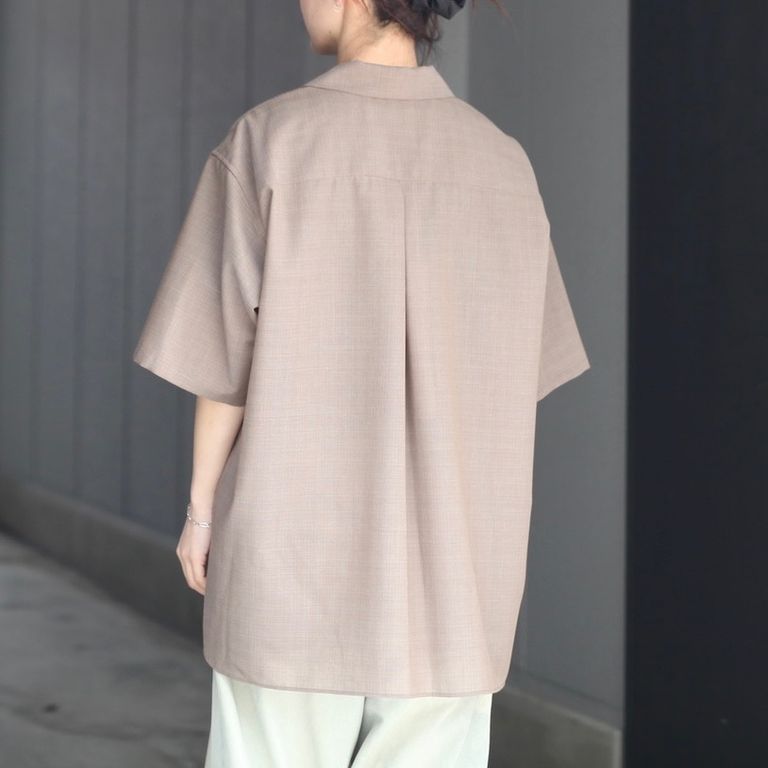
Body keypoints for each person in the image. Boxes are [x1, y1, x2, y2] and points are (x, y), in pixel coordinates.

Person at [132, 0, 591, 765]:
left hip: (291, 570)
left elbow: (221, 361)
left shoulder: (269, 141)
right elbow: (519, 374)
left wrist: (201, 511)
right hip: (456, 587)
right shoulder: (504, 163)